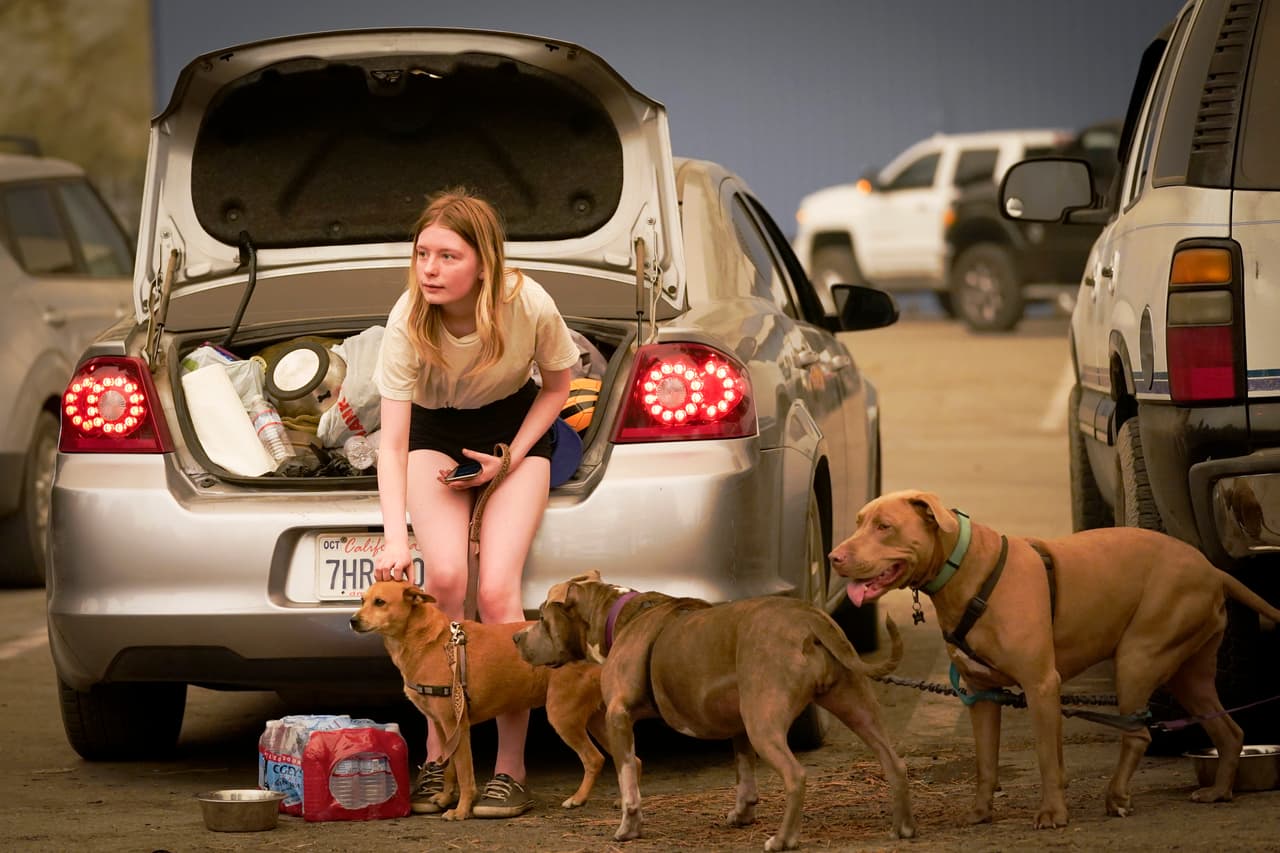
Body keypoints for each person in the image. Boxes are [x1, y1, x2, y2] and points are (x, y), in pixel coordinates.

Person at [371, 188, 578, 818]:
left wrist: (507, 459)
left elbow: (559, 387)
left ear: (484, 263)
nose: (429, 270)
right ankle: (438, 759)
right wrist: (395, 537)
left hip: (515, 430)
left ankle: (510, 769)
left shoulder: (528, 302)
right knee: (446, 580)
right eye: (422, 254)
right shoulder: (407, 318)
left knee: (497, 592)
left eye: (448, 256)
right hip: (435, 431)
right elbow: (393, 442)